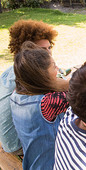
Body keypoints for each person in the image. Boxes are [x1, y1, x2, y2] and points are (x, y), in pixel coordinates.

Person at [0, 19, 58, 155]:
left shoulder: (11, 70)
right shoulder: (30, 78)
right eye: (42, 50)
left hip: (10, 138)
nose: (49, 54)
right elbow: (68, 88)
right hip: (18, 144)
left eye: (49, 48)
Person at [10, 41, 70, 169]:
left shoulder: (16, 94)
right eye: (54, 67)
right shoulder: (47, 104)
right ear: (41, 76)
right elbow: (83, 91)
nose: (58, 69)